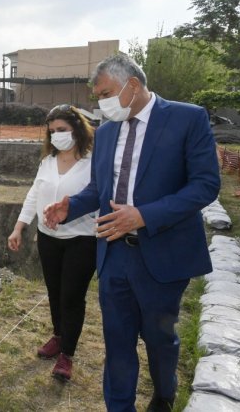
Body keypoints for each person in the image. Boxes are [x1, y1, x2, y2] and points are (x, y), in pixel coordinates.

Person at [44, 54, 220, 412]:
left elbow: (205, 185)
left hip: (163, 253)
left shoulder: (186, 118)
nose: (102, 103)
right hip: (114, 254)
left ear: (133, 85)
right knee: (117, 339)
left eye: (106, 93)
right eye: (98, 97)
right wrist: (71, 206)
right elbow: (99, 189)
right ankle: (119, 405)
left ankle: (164, 393)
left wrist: (144, 215)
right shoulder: (107, 133)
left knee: (159, 337)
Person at [7, 104, 97, 382]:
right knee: (55, 293)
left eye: (62, 130)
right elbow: (34, 195)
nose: (57, 135)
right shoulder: (47, 162)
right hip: (49, 239)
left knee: (72, 297)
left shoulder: (93, 163)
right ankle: (58, 336)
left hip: (81, 240)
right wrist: (19, 227)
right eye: (53, 131)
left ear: (77, 130)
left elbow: (97, 197)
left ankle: (67, 355)